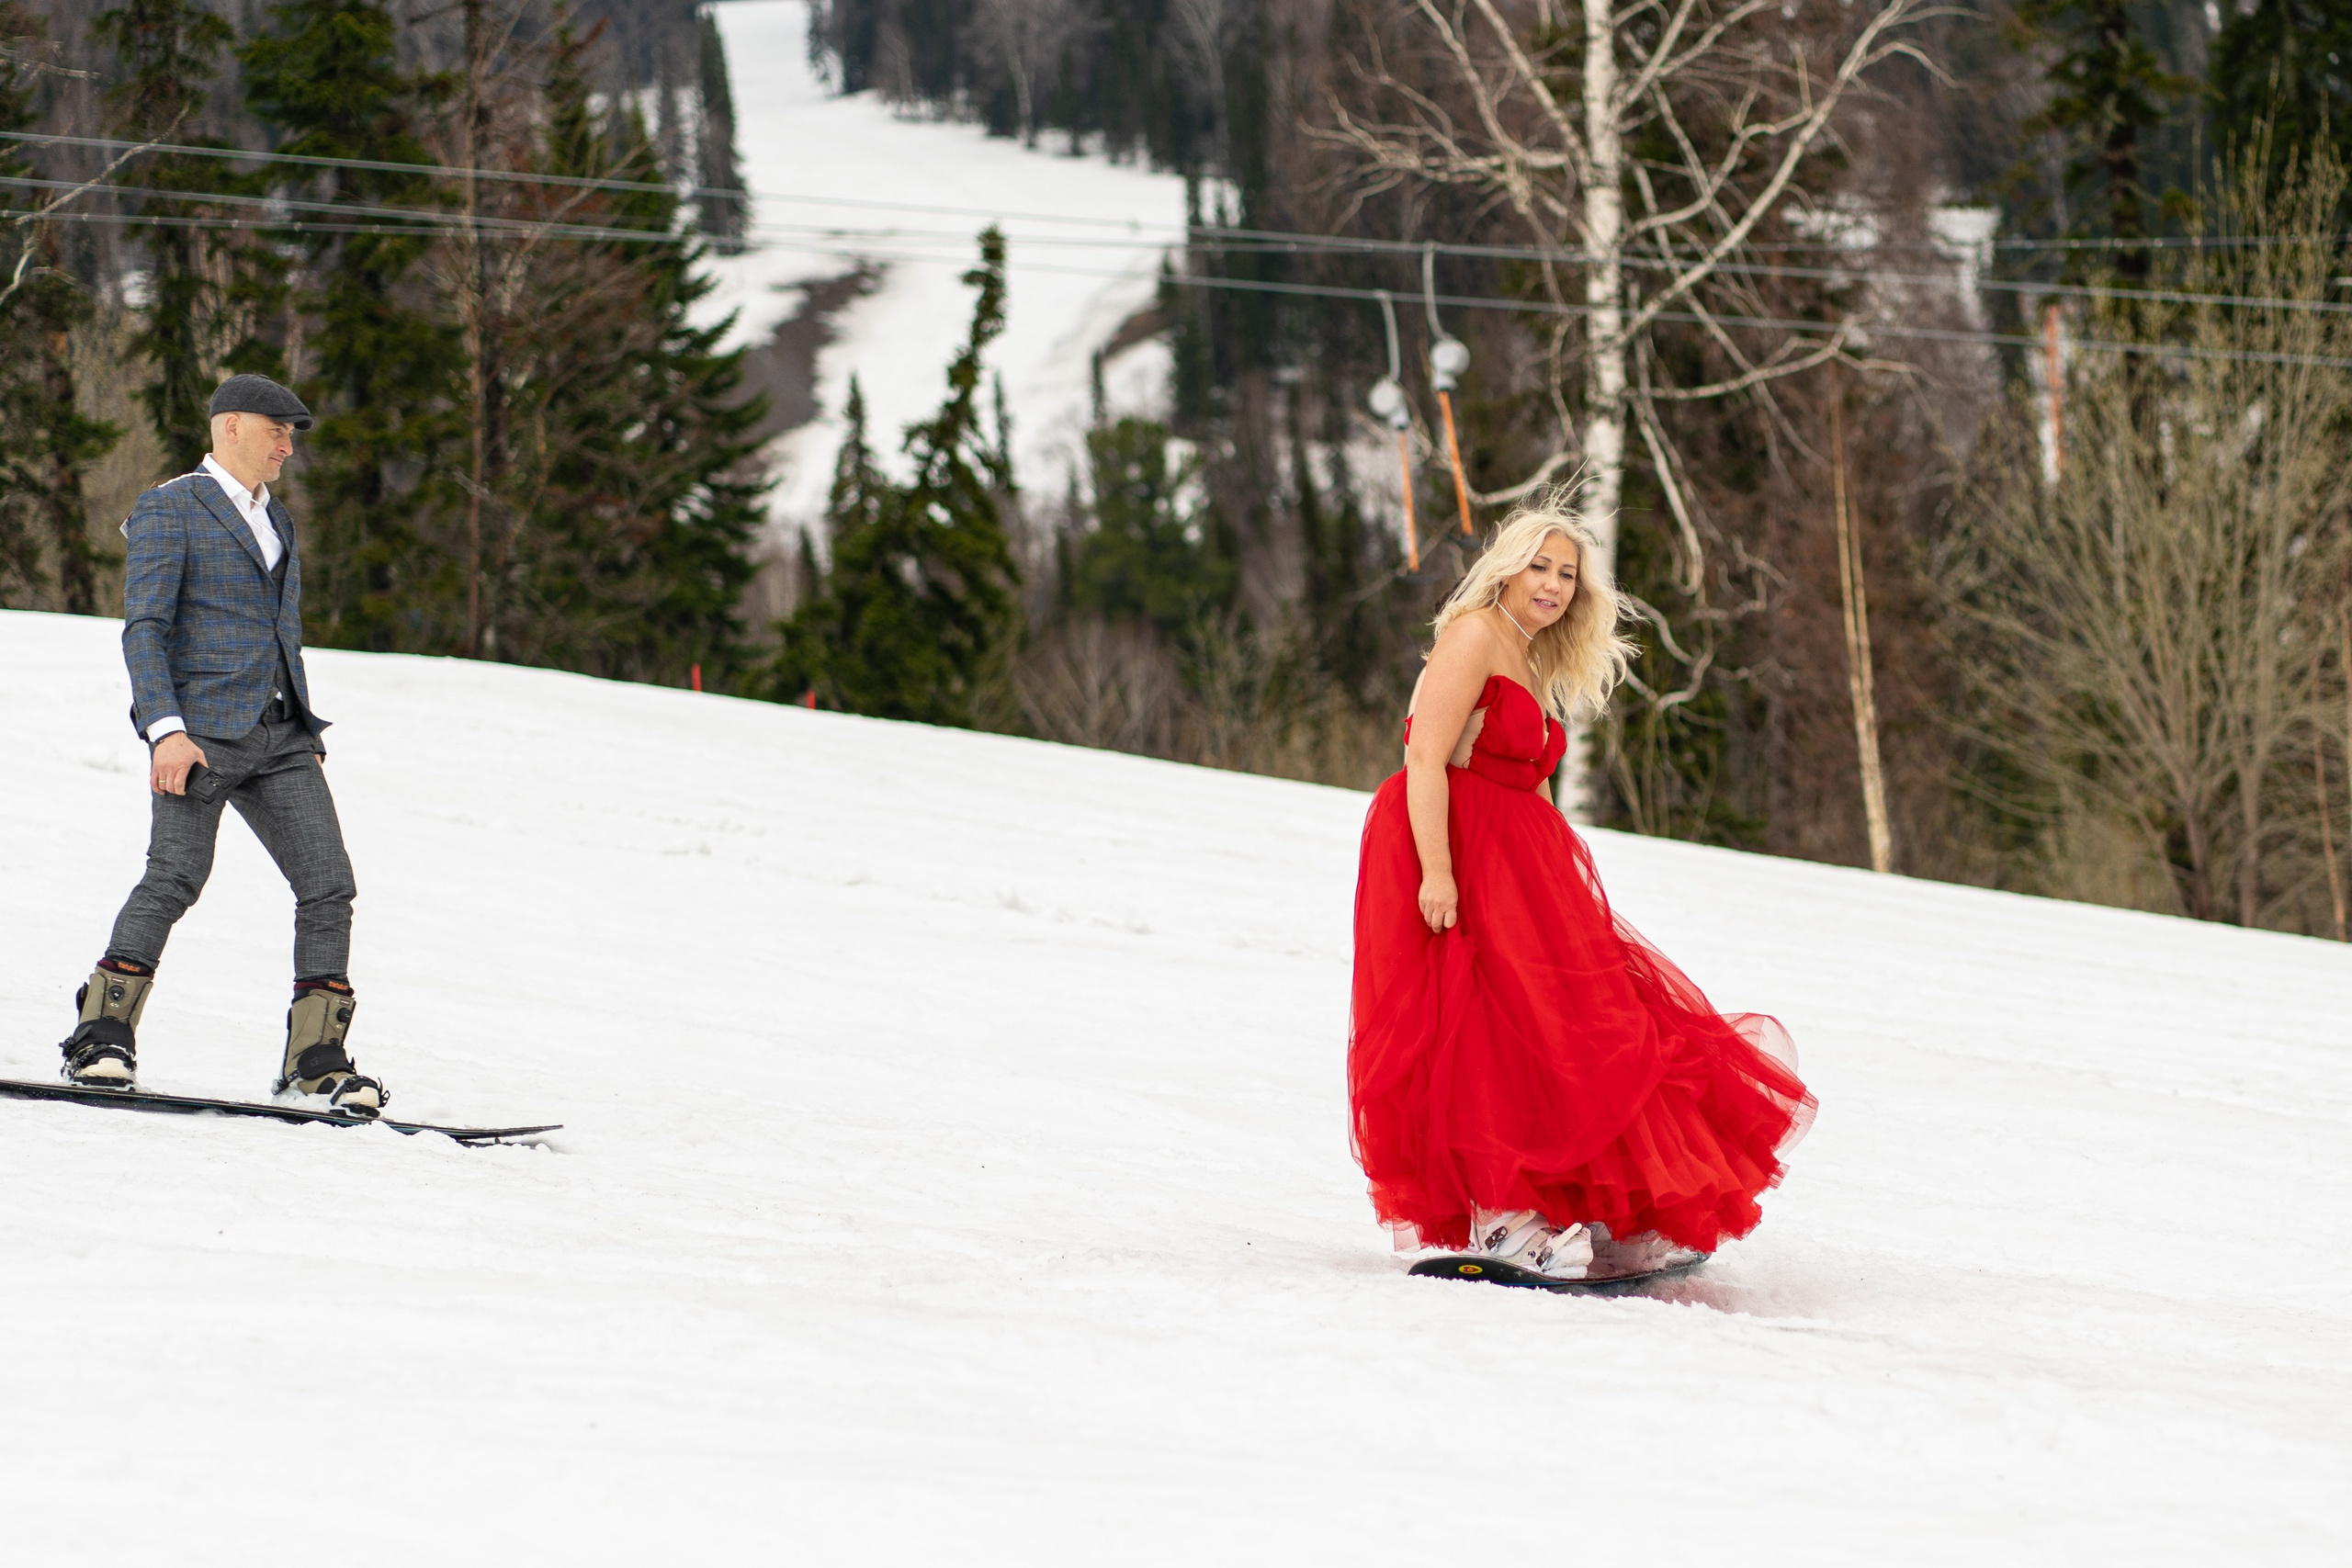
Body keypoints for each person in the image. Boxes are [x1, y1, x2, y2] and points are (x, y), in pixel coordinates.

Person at [1348, 499, 1811, 1281]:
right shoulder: (1474, 635)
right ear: (1508, 566)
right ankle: (1502, 1215)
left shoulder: (1526, 651)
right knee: (1486, 1026)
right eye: (1541, 566)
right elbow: (1424, 757)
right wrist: (1437, 872)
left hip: (1518, 860)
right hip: (1456, 849)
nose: (1555, 584)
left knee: (1576, 1020)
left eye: (1567, 574)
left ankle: (1603, 1205)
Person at [57, 374, 387, 1116]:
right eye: (276, 429)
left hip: (281, 735)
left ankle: (316, 1058)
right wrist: (165, 731)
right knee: (175, 876)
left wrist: (300, 716)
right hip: (199, 735)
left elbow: (278, 629)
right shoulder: (170, 506)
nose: (286, 444)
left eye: (292, 433)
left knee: (328, 883)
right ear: (230, 424)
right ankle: (103, 1033)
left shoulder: (281, 521)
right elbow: (145, 627)